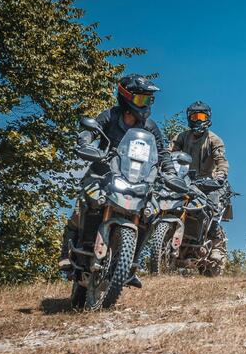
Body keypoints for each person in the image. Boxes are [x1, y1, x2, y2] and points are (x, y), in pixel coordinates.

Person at [59, 75, 175, 283]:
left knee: (150, 212)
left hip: (137, 178)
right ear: (126, 97)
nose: (145, 104)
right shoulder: (110, 116)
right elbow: (90, 131)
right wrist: (85, 141)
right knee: (83, 202)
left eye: (148, 100)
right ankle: (66, 253)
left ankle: (131, 264)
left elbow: (162, 151)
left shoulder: (149, 127)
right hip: (103, 172)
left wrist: (170, 172)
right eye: (141, 99)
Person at [170, 101, 231, 273]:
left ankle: (216, 244)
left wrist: (221, 175)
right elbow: (169, 154)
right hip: (183, 181)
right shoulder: (181, 137)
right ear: (189, 118)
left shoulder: (214, 140)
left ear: (208, 118)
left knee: (213, 208)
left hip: (208, 183)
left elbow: (221, 160)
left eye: (202, 116)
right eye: (194, 116)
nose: (198, 120)